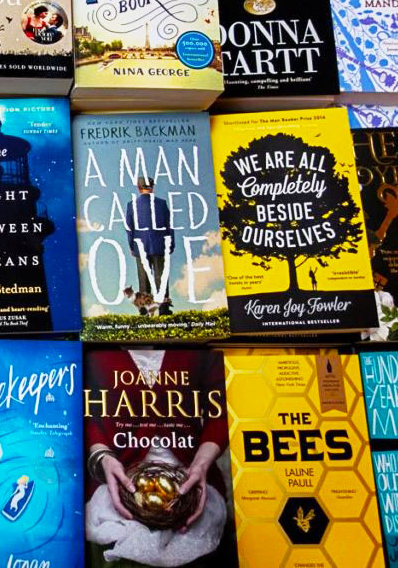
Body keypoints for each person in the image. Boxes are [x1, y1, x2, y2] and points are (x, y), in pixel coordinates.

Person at [84, 348, 230, 566]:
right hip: (116, 477)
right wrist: (102, 456)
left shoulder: (200, 345)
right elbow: (85, 412)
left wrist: (201, 463)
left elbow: (222, 406)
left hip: (191, 475)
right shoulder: (94, 350)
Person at [125, 178, 174, 301]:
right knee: (161, 279)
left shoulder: (131, 205)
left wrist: (131, 246)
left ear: (138, 188)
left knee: (143, 279)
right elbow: (169, 226)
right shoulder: (162, 204)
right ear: (152, 187)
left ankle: (145, 310)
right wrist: (171, 244)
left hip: (140, 246)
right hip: (160, 245)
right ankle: (164, 310)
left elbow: (129, 228)